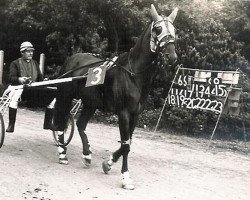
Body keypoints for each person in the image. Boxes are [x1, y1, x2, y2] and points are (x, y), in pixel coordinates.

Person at [6, 41, 43, 132]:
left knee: (52, 94)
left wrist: (44, 80)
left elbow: (39, 78)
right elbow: (11, 78)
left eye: (32, 51)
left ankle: (49, 123)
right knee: (14, 97)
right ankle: (11, 124)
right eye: (28, 51)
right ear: (22, 52)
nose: (31, 53)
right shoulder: (15, 63)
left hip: (32, 89)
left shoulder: (35, 63)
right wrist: (20, 79)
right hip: (18, 88)